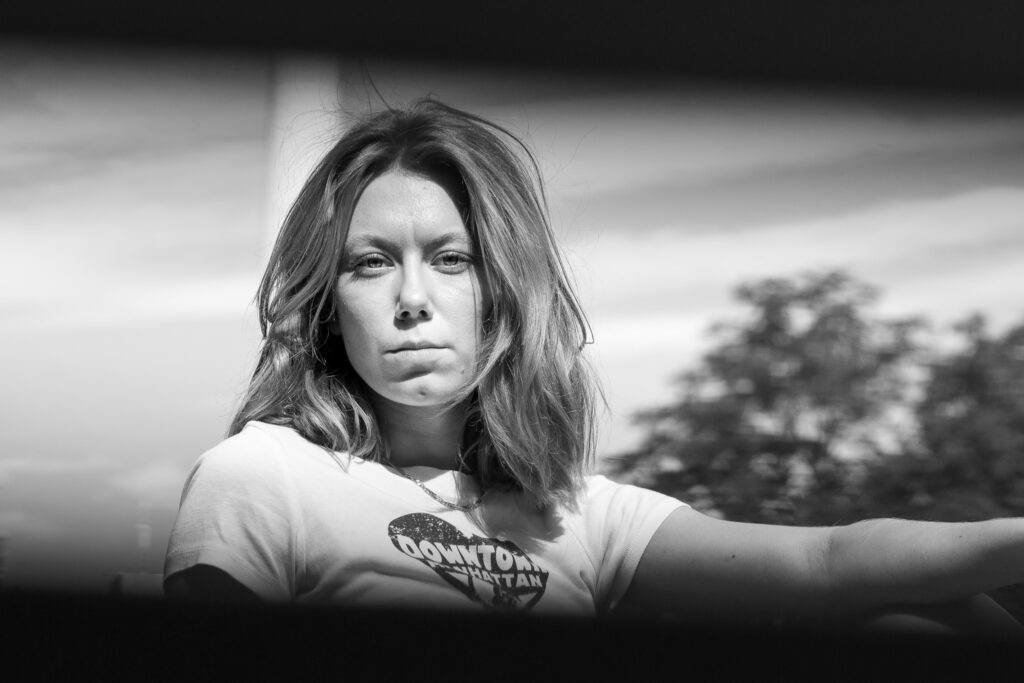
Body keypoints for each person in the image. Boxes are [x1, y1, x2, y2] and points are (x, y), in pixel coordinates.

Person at [164, 98, 1023, 634]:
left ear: (506, 291)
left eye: (452, 260)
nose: (412, 298)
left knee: (927, 617)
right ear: (329, 302)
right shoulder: (262, 475)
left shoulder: (576, 511)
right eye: (371, 262)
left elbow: (828, 564)